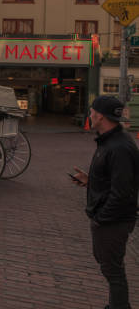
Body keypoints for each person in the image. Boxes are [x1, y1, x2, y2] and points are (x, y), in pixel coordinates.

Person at [71, 95, 138, 309]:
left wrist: (101, 219)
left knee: (113, 270)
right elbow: (114, 181)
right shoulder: (111, 141)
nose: (89, 115)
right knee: (110, 267)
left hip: (113, 221)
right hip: (110, 218)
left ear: (100, 116)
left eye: (91, 112)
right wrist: (90, 182)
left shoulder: (118, 147)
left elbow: (122, 192)